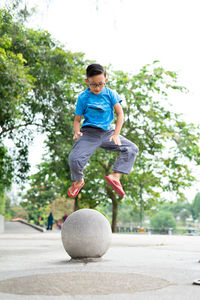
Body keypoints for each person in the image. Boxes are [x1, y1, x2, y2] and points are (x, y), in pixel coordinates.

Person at [67, 63, 139, 198]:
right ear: (87, 81)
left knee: (132, 149)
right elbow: (77, 120)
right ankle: (78, 181)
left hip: (108, 133)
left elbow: (120, 114)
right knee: (74, 158)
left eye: (101, 84)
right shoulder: (83, 97)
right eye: (93, 84)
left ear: (106, 80)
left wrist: (116, 134)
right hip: (89, 134)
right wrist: (77, 131)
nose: (97, 88)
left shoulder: (110, 94)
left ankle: (115, 176)